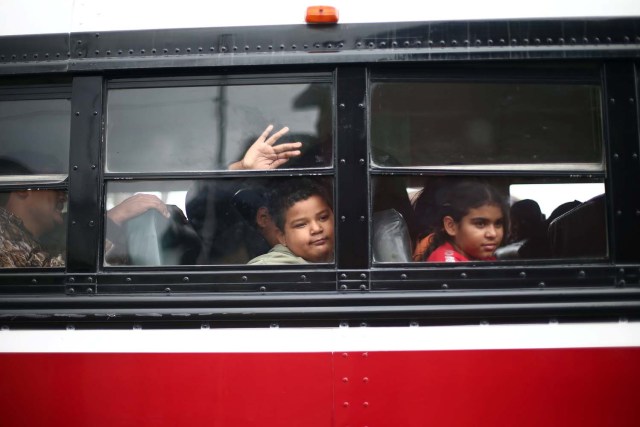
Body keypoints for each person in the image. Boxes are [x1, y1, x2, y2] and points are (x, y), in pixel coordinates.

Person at [248, 178, 334, 265]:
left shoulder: (341, 256)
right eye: (301, 225)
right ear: (282, 237)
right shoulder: (271, 268)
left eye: (323, 218)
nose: (316, 229)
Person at [423, 180, 508, 262]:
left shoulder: (482, 258)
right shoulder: (448, 265)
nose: (493, 234)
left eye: (498, 224)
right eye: (480, 224)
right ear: (451, 226)